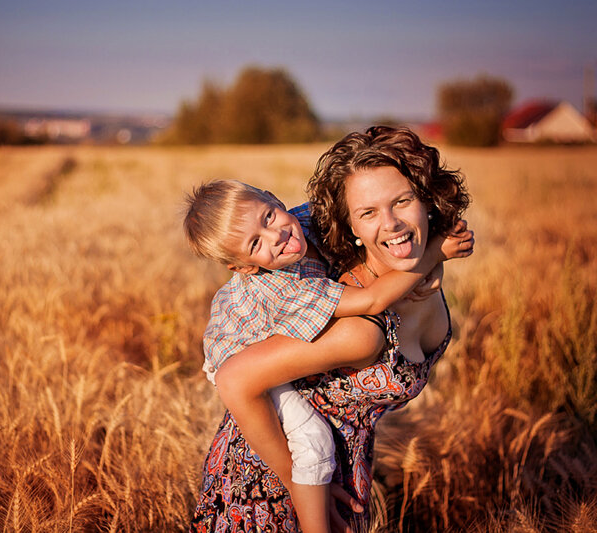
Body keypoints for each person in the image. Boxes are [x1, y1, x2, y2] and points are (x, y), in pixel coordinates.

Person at [190, 125, 472, 533]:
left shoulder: (307, 232)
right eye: (368, 212)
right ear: (351, 224)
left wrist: (433, 259)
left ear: (427, 201)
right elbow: (235, 380)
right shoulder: (346, 315)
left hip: (343, 477)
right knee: (313, 448)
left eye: (403, 200)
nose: (390, 223)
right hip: (274, 488)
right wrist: (432, 255)